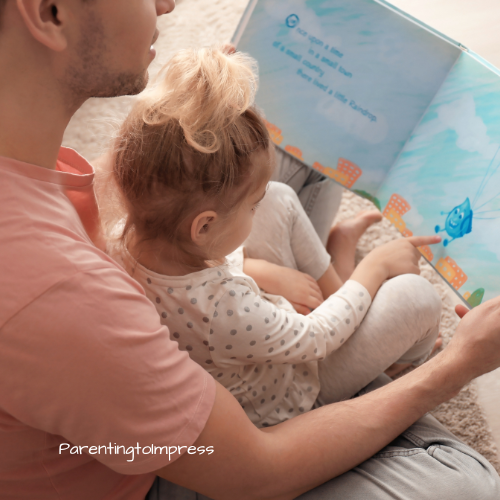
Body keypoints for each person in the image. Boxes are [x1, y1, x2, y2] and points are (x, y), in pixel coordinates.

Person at [1, 1, 500, 500]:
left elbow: (136, 192)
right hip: (192, 462)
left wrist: (185, 117)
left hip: (213, 340)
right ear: (49, 12)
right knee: (465, 482)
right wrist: (457, 365)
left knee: (282, 145)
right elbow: (258, 471)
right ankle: (371, 385)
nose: (166, 4)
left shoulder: (35, 169)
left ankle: (366, 363)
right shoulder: (55, 289)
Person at [107, 46, 442, 429]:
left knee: (279, 197)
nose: (255, 210)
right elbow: (317, 335)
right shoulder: (223, 309)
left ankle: (340, 280)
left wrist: (257, 268)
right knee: (416, 297)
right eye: (251, 207)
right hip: (297, 388)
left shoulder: (126, 237)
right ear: (203, 227)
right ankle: (397, 365)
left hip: (268, 332)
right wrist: (376, 267)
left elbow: (208, 269)